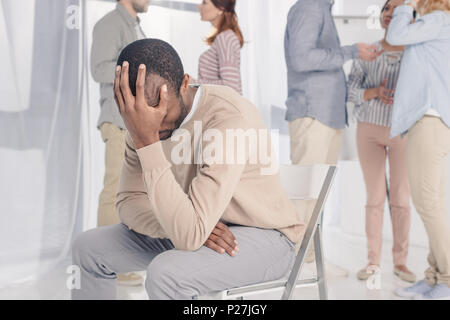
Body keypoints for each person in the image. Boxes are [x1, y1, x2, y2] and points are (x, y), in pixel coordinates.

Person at [71, 39, 303, 300]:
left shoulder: (228, 118)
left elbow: (190, 233)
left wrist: (146, 143)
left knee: (166, 274)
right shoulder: (141, 121)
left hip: (264, 237)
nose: (154, 129)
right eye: (144, 118)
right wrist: (181, 227)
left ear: (185, 83)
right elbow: (128, 202)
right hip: (191, 225)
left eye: (161, 111)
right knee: (87, 249)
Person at [284, 0, 382, 266]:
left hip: (326, 116)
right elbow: (302, 58)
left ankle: (311, 260)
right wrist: (351, 51)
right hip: (313, 114)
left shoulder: (321, 8)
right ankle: (296, 263)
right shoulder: (309, 8)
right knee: (306, 195)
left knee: (316, 194)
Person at [385, 0, 450, 300]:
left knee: (428, 204)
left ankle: (447, 281)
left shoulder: (438, 20)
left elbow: (394, 36)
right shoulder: (435, 25)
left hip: (430, 122)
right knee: (432, 203)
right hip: (430, 122)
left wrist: (405, 6)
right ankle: (434, 277)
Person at [348, 0, 415, 283]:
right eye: (387, 9)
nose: (390, 14)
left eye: (397, 11)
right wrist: (374, 91)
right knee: (374, 198)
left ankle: (401, 263)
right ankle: (373, 262)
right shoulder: (367, 52)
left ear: (410, 20)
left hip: (403, 133)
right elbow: (350, 91)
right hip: (369, 131)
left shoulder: (416, 54)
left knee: (400, 199)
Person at [90, 0, 149, 286]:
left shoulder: (135, 26)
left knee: (130, 194)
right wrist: (135, 68)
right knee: (114, 191)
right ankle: (107, 266)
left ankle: (122, 262)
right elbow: (99, 69)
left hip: (134, 124)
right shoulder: (109, 24)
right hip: (117, 123)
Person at [197, 0, 243, 95]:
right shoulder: (225, 37)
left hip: (225, 109)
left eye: (204, 2)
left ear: (220, 9)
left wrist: (195, 84)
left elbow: (231, 87)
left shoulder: (225, 38)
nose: (199, 6)